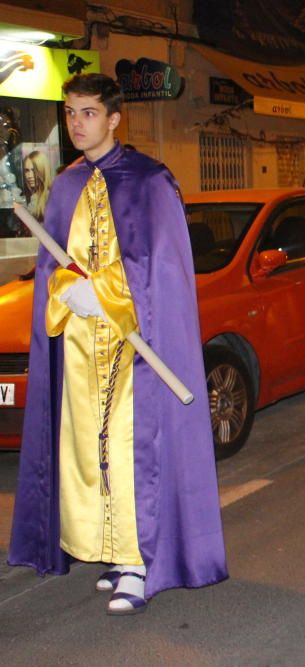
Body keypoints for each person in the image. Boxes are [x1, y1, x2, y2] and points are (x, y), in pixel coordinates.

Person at [7, 74, 227, 615]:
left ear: (114, 118)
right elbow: (52, 263)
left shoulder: (150, 180)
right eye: (70, 112)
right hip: (82, 346)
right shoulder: (65, 184)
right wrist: (67, 290)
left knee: (129, 449)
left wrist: (101, 291)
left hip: (135, 347)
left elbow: (160, 269)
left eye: (87, 112)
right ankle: (109, 549)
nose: (76, 123)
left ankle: (137, 560)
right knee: (88, 448)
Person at [22, 149, 53, 223]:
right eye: (27, 170)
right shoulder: (33, 196)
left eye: (34, 170)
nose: (29, 176)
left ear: (42, 170)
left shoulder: (51, 198)